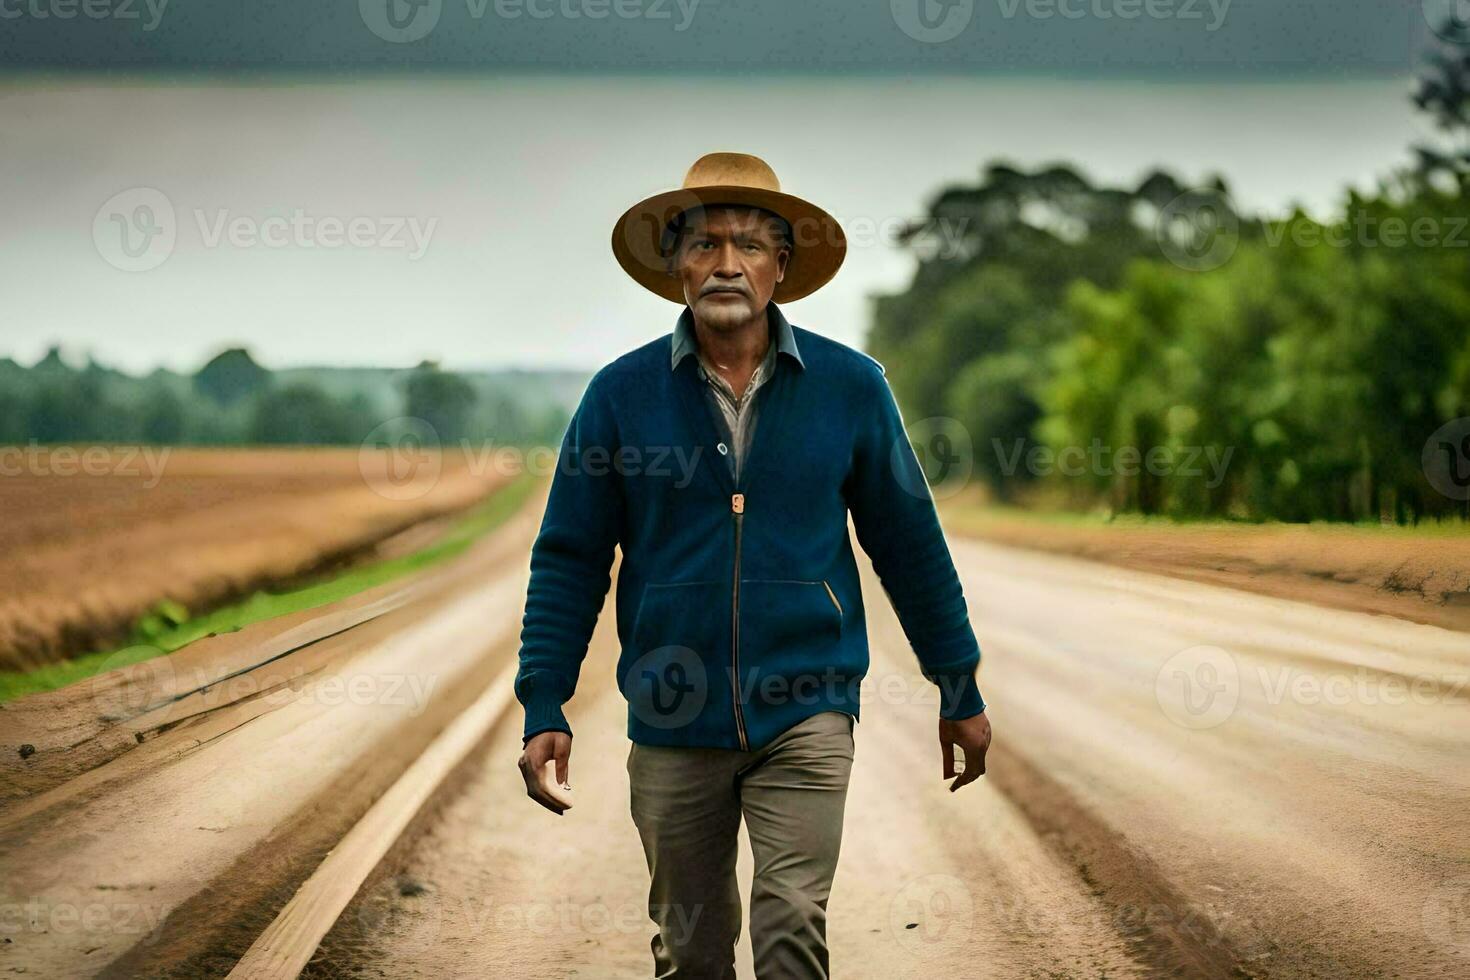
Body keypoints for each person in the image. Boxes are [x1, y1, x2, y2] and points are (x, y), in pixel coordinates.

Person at [515, 151, 992, 978]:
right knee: (692, 954)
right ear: (676, 267)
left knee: (791, 929)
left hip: (806, 709)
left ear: (781, 265)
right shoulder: (620, 396)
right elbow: (570, 557)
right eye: (704, 244)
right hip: (671, 715)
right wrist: (543, 698)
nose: (725, 263)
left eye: (748, 244)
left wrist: (959, 683)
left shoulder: (851, 387)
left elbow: (910, 543)